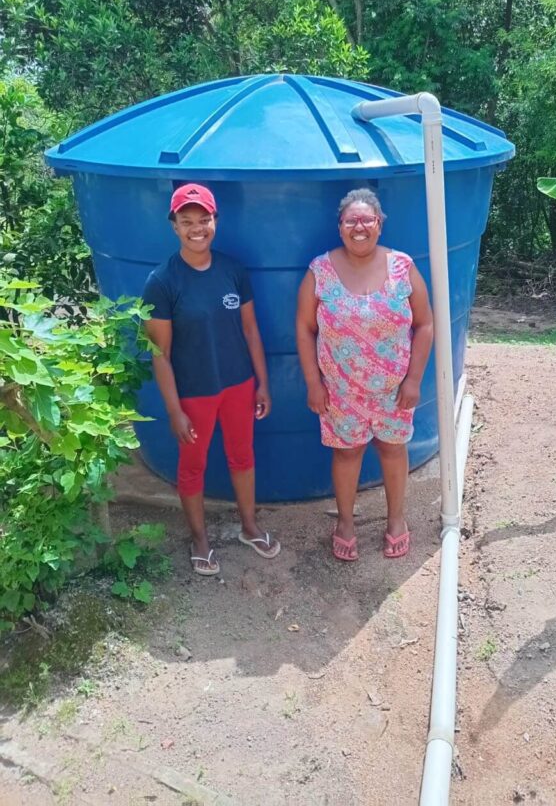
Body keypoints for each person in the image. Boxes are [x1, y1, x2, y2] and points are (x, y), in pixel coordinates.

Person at [143, 183, 280, 576]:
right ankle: (199, 539)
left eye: (203, 220)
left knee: (242, 457)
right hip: (195, 394)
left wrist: (262, 383)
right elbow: (160, 354)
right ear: (174, 226)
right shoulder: (163, 281)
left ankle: (249, 527)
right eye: (187, 222)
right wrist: (173, 410)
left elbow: (251, 331)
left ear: (215, 221)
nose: (196, 228)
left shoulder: (233, 270)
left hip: (238, 385)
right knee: (193, 466)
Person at [296, 188, 434, 561]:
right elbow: (305, 328)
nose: (359, 227)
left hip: (394, 390)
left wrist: (414, 380)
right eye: (351, 220)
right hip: (340, 391)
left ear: (380, 224)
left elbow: (425, 324)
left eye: (367, 220)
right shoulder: (319, 271)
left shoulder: (402, 266)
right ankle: (345, 522)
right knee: (347, 454)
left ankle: (396, 520)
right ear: (340, 227)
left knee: (392, 450)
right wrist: (313, 383)